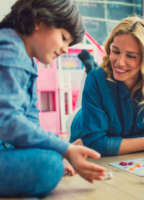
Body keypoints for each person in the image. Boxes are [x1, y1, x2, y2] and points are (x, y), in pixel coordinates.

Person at [0, 0, 106, 197]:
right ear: (38, 21)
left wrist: (60, 149)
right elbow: (7, 121)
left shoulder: (27, 59)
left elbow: (30, 120)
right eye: (64, 37)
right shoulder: (10, 48)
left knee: (51, 159)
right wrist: (63, 148)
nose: (66, 49)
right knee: (49, 166)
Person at [70, 16, 144, 156]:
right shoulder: (95, 78)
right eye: (115, 51)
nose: (120, 62)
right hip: (81, 123)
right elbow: (95, 144)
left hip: (111, 130)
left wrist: (108, 143)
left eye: (131, 56)